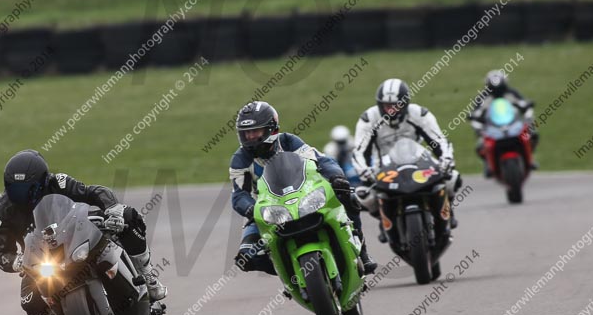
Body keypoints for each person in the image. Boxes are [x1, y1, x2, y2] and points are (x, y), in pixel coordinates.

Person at [0, 149, 167, 315]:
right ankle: (71, 313)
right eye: (16, 189)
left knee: (128, 217)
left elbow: (92, 192)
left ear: (43, 181)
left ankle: (147, 273)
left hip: (75, 233)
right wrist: (16, 262)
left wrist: (113, 209)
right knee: (30, 304)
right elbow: (2, 253)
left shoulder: (58, 182)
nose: (23, 195)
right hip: (40, 257)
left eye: (29, 188)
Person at [229, 101, 376, 275]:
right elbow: (239, 195)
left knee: (348, 196)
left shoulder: (288, 141)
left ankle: (362, 251)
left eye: (255, 132)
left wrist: (336, 177)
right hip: (267, 211)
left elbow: (321, 160)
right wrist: (253, 210)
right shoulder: (240, 160)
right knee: (246, 258)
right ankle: (288, 271)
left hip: (305, 196)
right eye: (246, 134)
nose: (250, 138)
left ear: (271, 129)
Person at [353, 78, 461, 242]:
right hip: (383, 168)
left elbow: (439, 140)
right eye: (386, 106)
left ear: (405, 103)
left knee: (452, 178)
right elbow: (359, 151)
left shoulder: (419, 113)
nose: (390, 110)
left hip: (418, 163)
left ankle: (447, 210)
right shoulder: (368, 119)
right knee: (362, 196)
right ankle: (384, 219)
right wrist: (364, 171)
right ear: (379, 104)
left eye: (395, 105)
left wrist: (446, 159)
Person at [469, 70, 538, 175]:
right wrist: (475, 118)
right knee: (480, 146)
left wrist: (527, 108)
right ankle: (488, 164)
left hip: (513, 124)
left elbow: (523, 103)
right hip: (492, 128)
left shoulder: (511, 93)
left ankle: (530, 158)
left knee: (533, 135)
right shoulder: (483, 98)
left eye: (500, 88)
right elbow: (476, 112)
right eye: (494, 89)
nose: (497, 91)